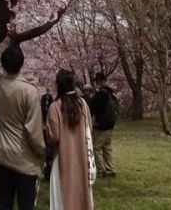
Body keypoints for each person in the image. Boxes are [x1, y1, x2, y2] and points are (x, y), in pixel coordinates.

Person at [0, 23, 46, 210]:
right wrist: (42, 152)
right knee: (26, 204)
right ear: (22, 64)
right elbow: (33, 131)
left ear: (4, 65)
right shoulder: (29, 91)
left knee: (4, 201)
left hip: (2, 153)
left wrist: (6, 40)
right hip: (24, 158)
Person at [46, 70, 95, 210]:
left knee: (62, 198)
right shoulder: (83, 105)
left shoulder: (55, 107)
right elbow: (89, 129)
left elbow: (54, 137)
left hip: (62, 158)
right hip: (82, 157)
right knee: (82, 195)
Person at [88, 72, 118, 178]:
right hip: (111, 123)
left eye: (97, 81)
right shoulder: (110, 92)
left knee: (96, 147)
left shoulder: (101, 93)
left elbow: (94, 107)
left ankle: (101, 170)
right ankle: (110, 169)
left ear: (100, 81)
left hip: (102, 124)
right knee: (107, 146)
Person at [40, 92, 56, 180]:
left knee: (48, 152)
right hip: (46, 130)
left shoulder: (52, 108)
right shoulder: (52, 108)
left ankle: (47, 171)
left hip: (47, 131)